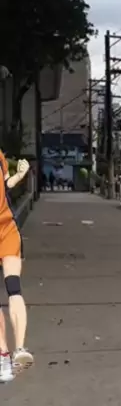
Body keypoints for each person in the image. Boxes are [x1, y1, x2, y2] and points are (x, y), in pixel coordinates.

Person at [0, 151, 33, 383]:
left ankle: (13, 353)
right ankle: (10, 352)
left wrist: (19, 176)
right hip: (7, 230)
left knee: (13, 288)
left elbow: (4, 185)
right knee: (14, 289)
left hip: (7, 230)